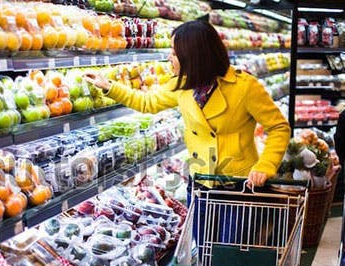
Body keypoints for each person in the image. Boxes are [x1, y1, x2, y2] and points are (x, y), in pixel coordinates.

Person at [84, 19, 291, 252]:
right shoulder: (183, 86)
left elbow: (279, 127)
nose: (169, 58)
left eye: (174, 53)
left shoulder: (245, 87)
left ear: (194, 55)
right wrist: (108, 86)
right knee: (204, 250)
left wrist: (266, 164)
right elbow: (147, 102)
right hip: (201, 181)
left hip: (238, 186)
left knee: (229, 253)